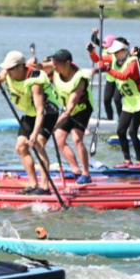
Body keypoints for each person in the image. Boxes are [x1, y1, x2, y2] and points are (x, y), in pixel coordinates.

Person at [0, 51, 60, 194]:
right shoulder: (7, 72)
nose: (8, 71)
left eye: (11, 68)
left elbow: (40, 110)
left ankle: (45, 187)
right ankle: (33, 184)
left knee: (38, 144)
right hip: (30, 114)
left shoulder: (34, 80)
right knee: (21, 147)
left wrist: (34, 134)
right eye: (6, 68)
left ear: (21, 66)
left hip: (47, 113)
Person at [89, 39, 140, 169]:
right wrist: (91, 52)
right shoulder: (114, 59)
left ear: (124, 51)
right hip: (128, 102)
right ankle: (127, 160)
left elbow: (124, 75)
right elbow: (98, 60)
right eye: (114, 53)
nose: (114, 55)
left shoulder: (133, 62)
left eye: (117, 52)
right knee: (120, 131)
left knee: (132, 132)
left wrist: (107, 69)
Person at [48, 49, 94, 184]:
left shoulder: (79, 79)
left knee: (76, 139)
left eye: (57, 63)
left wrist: (53, 124)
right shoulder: (55, 70)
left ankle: (86, 174)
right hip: (66, 110)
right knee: (59, 140)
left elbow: (70, 108)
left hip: (82, 109)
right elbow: (39, 66)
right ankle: (76, 170)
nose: (54, 65)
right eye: (53, 62)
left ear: (67, 63)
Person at [89, 31, 122, 120]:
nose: (105, 48)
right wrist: (95, 33)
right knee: (106, 100)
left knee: (117, 100)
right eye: (105, 46)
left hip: (119, 80)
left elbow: (107, 67)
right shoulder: (104, 47)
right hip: (110, 80)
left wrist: (96, 70)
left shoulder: (116, 54)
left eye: (107, 46)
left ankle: (121, 119)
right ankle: (110, 120)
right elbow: (94, 40)